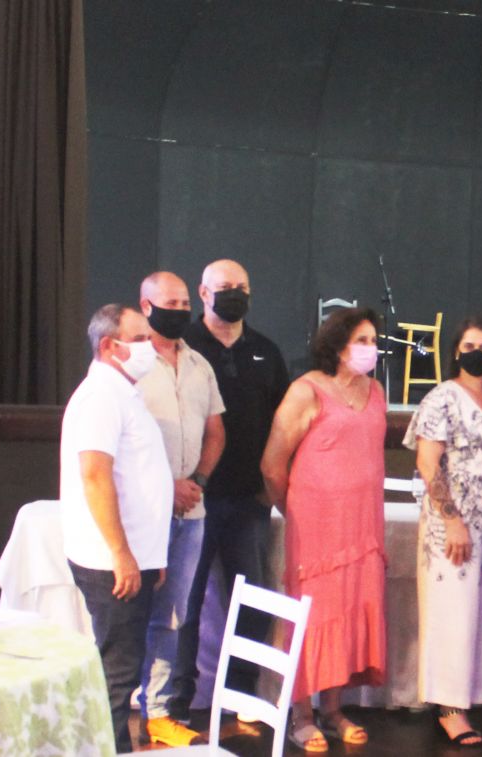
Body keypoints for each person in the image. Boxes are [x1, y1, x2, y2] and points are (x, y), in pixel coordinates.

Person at [261, 307, 387, 752]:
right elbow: (273, 465)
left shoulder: (376, 391)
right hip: (316, 527)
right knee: (312, 617)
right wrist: (296, 509)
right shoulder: (306, 390)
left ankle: (333, 710)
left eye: (373, 341)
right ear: (337, 345)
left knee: (348, 612)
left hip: (362, 526)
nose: (371, 349)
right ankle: (301, 715)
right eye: (361, 340)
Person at [170, 259, 288, 721]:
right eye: (224, 287)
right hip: (193, 501)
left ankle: (241, 693)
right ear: (203, 293)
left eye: (242, 287)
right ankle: (178, 700)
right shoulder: (184, 347)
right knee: (186, 600)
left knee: (253, 600)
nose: (233, 294)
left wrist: (270, 489)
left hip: (248, 502)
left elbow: (283, 425)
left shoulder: (266, 352)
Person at [61, 304, 173, 752]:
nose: (151, 347)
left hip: (133, 557)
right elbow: (95, 476)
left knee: (121, 668)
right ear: (110, 346)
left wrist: (150, 556)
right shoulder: (101, 397)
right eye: (140, 339)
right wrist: (123, 555)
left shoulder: (123, 392)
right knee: (118, 673)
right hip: (113, 562)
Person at [402, 316, 482, 745]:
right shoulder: (441, 398)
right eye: (469, 346)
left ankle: (472, 695)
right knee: (452, 611)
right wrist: (452, 521)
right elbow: (428, 465)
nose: (476, 354)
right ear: (455, 352)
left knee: (480, 612)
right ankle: (448, 706)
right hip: (452, 523)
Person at [133, 273, 224, 746]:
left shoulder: (199, 365)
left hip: (191, 513)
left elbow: (216, 432)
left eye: (186, 302)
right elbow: (121, 444)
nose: (181, 310)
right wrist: (165, 488)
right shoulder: (130, 363)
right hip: (143, 513)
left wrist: (198, 483)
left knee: (173, 615)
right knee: (131, 613)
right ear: (146, 306)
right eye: (171, 302)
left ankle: (159, 712)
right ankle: (116, 706)